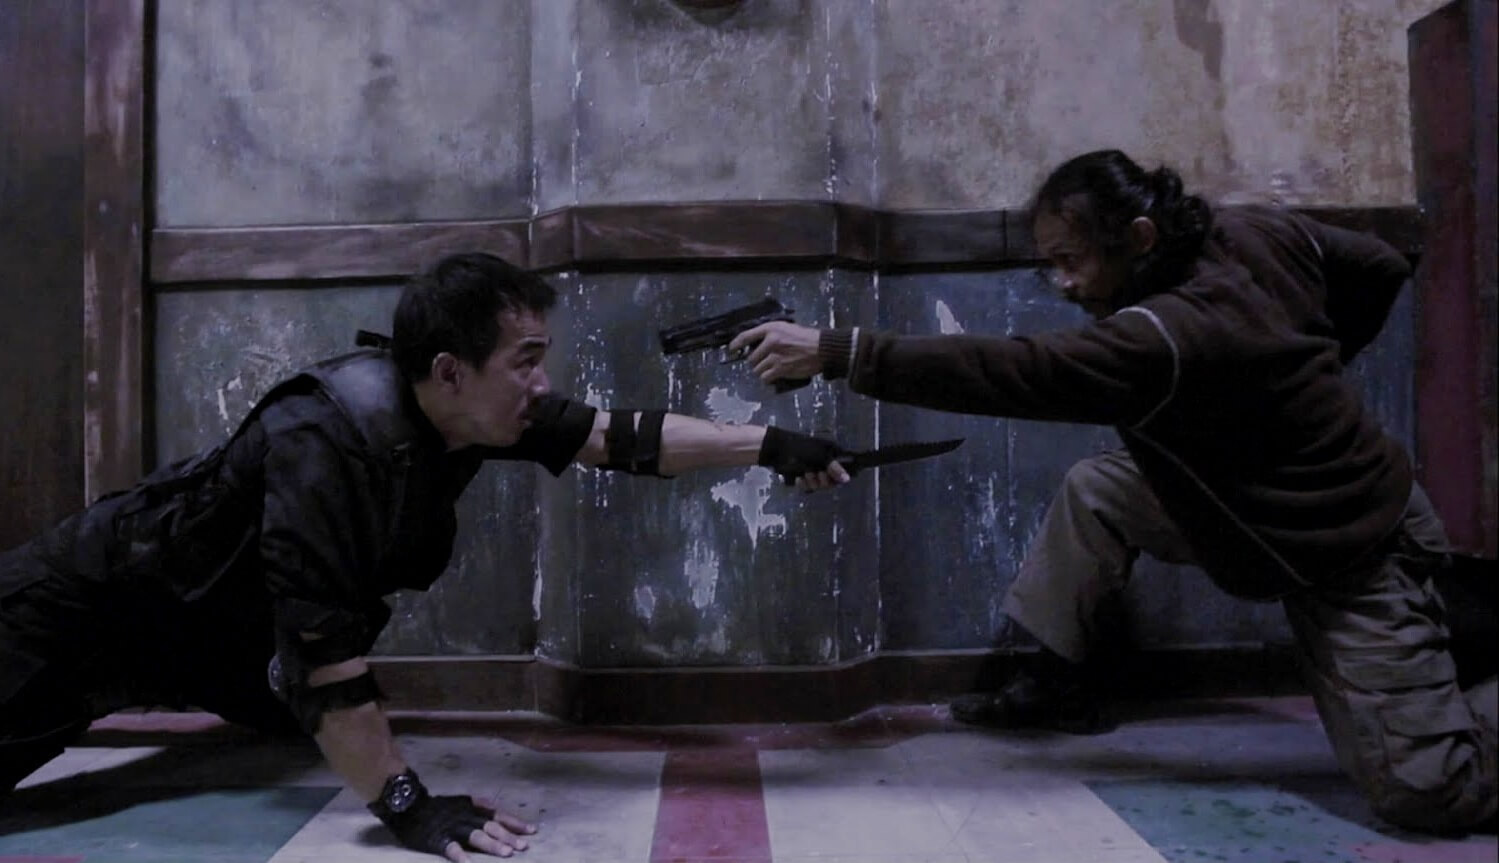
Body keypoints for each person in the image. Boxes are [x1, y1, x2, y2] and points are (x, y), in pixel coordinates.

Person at [729, 149, 1497, 833]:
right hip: (1244, 503)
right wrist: (1301, 373)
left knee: (1429, 791)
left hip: (1349, 546)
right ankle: (1056, 681)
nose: (1063, 284)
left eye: (1072, 262)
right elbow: (1377, 264)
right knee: (1099, 488)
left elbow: (1019, 371)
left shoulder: (1165, 335)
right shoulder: (1250, 231)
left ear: (1138, 236)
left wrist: (837, 350)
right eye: (1050, 264)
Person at [0, 252, 849, 861]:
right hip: (82, 612)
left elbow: (615, 436)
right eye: (525, 362)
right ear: (450, 369)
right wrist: (407, 805)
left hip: (209, 640)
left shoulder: (471, 412)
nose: (541, 383)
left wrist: (769, 444)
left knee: (301, 716)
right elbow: (325, 655)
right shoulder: (324, 442)